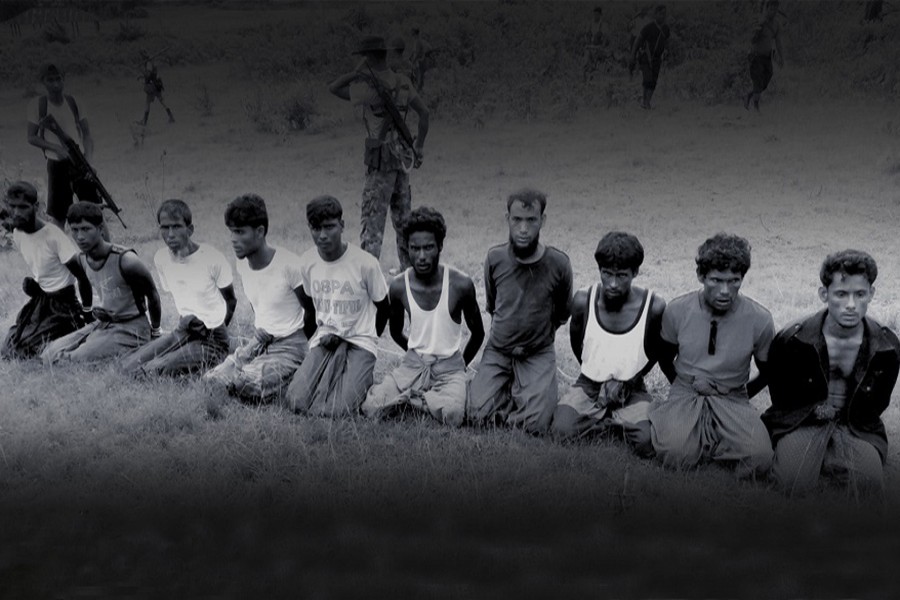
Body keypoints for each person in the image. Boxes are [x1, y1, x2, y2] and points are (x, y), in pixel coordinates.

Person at [763, 250, 900, 498]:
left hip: (855, 426)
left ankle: (830, 456)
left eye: (859, 294)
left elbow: (878, 403)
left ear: (871, 293)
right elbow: (781, 398)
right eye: (841, 294)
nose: (851, 305)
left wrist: (848, 416)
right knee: (792, 484)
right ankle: (815, 457)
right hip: (803, 422)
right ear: (824, 294)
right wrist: (812, 411)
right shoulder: (793, 339)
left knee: (869, 484)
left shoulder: (886, 346)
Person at [647, 233, 775, 478]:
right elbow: (665, 357)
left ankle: (712, 437)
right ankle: (690, 430)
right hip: (688, 390)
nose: (725, 291)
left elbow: (768, 370)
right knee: (675, 456)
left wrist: (741, 393)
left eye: (734, 280)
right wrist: (682, 384)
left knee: (759, 459)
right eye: (716, 280)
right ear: (701, 277)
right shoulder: (678, 310)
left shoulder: (759, 319)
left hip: (732, 395)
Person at [361, 207, 485, 426]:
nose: (421, 257)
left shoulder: (460, 284)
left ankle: (411, 399)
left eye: (428, 248)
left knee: (454, 415)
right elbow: (395, 331)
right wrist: (415, 355)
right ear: (406, 248)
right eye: (414, 248)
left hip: (450, 366)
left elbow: (478, 333)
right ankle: (420, 399)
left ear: (440, 246)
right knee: (371, 407)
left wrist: (459, 365)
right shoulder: (399, 285)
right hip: (414, 363)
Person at [551, 232, 670, 457]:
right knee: (560, 430)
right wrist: (598, 376)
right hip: (590, 384)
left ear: (635, 272)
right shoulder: (583, 300)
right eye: (607, 274)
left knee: (647, 442)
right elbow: (579, 345)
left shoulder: (653, 306)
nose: (613, 283)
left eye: (621, 275)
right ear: (599, 270)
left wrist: (630, 380)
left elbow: (653, 351)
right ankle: (611, 421)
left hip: (631, 386)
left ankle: (610, 418)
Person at [468, 188, 573, 435]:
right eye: (517, 220)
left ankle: (527, 391)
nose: (523, 229)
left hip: (537, 352)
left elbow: (562, 314)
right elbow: (493, 306)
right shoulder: (494, 258)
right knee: (475, 414)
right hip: (499, 349)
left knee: (535, 425)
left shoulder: (559, 263)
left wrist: (535, 338)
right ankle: (510, 389)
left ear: (542, 221)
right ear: (508, 219)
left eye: (531, 220)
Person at [328, 35, 429, 274]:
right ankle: (409, 273)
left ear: (369, 58)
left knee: (372, 223)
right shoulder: (403, 82)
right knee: (404, 221)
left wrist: (356, 72)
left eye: (364, 58)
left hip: (380, 164)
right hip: (402, 160)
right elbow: (424, 114)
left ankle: (368, 279)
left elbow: (333, 88)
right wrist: (421, 146)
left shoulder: (367, 89)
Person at [284, 196, 390, 418]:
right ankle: (328, 369)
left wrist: (369, 338)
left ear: (342, 226)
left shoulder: (365, 263)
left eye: (329, 227)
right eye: (316, 228)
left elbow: (384, 307)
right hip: (326, 338)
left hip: (360, 341)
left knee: (337, 410)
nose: (322, 235)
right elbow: (311, 310)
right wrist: (315, 346)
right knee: (296, 400)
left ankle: (361, 374)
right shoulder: (307, 262)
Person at [203, 194, 307, 406]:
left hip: (291, 344)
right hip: (260, 340)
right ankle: (260, 369)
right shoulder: (243, 264)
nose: (233, 239)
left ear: (260, 232)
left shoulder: (290, 265)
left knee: (243, 383)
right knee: (212, 380)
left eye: (240, 232)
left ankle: (296, 374)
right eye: (231, 231)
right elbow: (259, 303)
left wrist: (304, 348)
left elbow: (313, 310)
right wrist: (261, 328)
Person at [121, 199, 236, 378]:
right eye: (165, 228)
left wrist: (216, 329)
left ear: (189, 229)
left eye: (176, 227)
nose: (170, 234)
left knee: (151, 371)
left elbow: (231, 300)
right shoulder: (161, 258)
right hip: (184, 327)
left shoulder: (211, 258)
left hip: (212, 336)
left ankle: (212, 355)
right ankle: (181, 350)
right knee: (129, 364)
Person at [41, 203, 161, 365]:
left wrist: (155, 333)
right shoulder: (82, 259)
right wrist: (88, 311)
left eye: (86, 229)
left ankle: (125, 346)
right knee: (49, 353)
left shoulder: (126, 260)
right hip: (104, 322)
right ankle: (97, 343)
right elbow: (85, 283)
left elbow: (152, 294)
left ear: (100, 229)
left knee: (73, 360)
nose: (80, 237)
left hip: (131, 327)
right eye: (75, 230)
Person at [1, 181, 93, 360]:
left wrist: (87, 311)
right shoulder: (18, 232)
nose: (17, 213)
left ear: (36, 206)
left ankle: (76, 328)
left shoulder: (53, 236)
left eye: (23, 207)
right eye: (13, 207)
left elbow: (82, 276)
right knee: (10, 345)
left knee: (26, 349)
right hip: (42, 300)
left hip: (64, 304)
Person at [26, 63, 101, 230]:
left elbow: (87, 135)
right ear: (43, 82)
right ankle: (57, 254)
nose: (55, 84)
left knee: (93, 212)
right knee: (59, 217)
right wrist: (55, 148)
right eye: (50, 80)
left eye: (58, 78)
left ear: (64, 79)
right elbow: (31, 137)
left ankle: (105, 251)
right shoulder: (38, 105)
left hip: (79, 161)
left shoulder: (74, 102)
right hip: (57, 165)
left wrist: (89, 162)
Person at [744, 0, 785, 112]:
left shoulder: (776, 24)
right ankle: (756, 107)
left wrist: (781, 57)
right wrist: (759, 28)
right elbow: (752, 40)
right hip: (755, 56)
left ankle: (749, 95)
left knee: (765, 83)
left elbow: (778, 42)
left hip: (767, 58)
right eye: (771, 8)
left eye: (775, 9)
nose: (773, 11)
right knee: (758, 82)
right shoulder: (759, 21)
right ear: (766, 9)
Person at [629, 5, 670, 110]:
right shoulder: (648, 27)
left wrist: (666, 51)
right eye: (660, 14)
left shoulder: (666, 29)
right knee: (647, 78)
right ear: (655, 14)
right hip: (645, 57)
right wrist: (632, 55)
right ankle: (645, 102)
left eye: (664, 14)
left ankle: (647, 102)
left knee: (653, 81)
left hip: (657, 59)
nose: (662, 16)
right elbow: (637, 41)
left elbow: (666, 42)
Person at [136, 49, 175, 125]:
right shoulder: (150, 63)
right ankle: (170, 116)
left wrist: (141, 72)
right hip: (156, 85)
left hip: (152, 86)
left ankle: (145, 121)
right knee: (162, 101)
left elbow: (148, 75)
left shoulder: (148, 64)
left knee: (148, 103)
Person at [583, 6, 611, 82]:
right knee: (586, 59)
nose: (595, 16)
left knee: (598, 60)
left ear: (600, 15)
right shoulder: (590, 23)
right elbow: (587, 34)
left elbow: (605, 37)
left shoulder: (603, 24)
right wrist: (588, 44)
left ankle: (598, 75)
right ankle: (585, 77)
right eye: (594, 14)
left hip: (599, 46)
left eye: (597, 14)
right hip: (591, 45)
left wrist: (602, 46)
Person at [408, 27, 434, 92]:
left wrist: (413, 61)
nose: (411, 34)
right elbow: (414, 52)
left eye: (412, 32)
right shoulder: (416, 41)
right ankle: (418, 89)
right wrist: (410, 58)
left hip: (420, 61)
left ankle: (419, 90)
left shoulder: (418, 41)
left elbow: (417, 53)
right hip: (419, 61)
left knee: (419, 76)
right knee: (417, 75)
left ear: (414, 33)